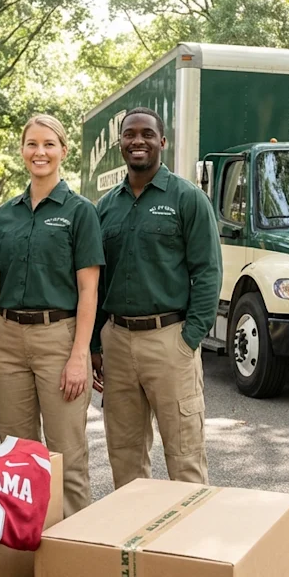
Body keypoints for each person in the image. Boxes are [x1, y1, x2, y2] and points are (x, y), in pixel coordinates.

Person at [0, 114, 103, 517]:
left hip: (58, 339)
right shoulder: (8, 214)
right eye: (32, 144)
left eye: (49, 144)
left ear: (63, 151)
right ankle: (21, 547)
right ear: (22, 150)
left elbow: (88, 290)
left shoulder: (80, 212)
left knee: (67, 455)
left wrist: (79, 353)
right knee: (15, 456)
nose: (40, 152)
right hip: (9, 342)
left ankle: (74, 551)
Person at [90, 106, 222, 488]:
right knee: (125, 455)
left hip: (170, 340)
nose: (138, 141)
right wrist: (97, 342)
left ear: (162, 142)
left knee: (185, 455)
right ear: (120, 144)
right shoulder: (106, 207)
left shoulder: (187, 199)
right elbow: (97, 282)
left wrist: (190, 338)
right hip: (117, 342)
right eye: (130, 134)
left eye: (147, 134)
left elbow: (208, 271)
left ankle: (189, 544)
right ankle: (137, 544)